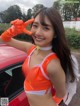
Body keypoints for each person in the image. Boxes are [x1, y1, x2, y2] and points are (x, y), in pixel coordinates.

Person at [0, 7, 79, 106]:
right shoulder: (31, 49)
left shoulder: (53, 65)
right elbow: (4, 39)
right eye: (35, 26)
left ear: (55, 34)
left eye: (46, 28)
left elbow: (61, 94)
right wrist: (13, 30)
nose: (37, 32)